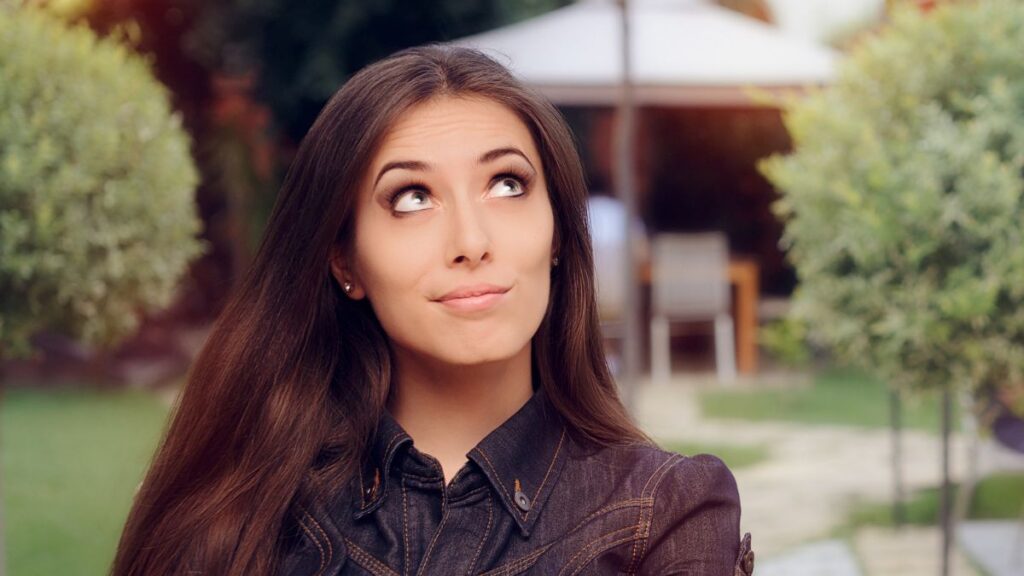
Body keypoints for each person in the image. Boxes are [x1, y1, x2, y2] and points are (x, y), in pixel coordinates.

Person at [112, 45, 753, 576]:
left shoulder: (665, 513)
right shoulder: (242, 515)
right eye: (412, 197)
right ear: (345, 261)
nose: (472, 242)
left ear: (557, 233)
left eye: (508, 184)